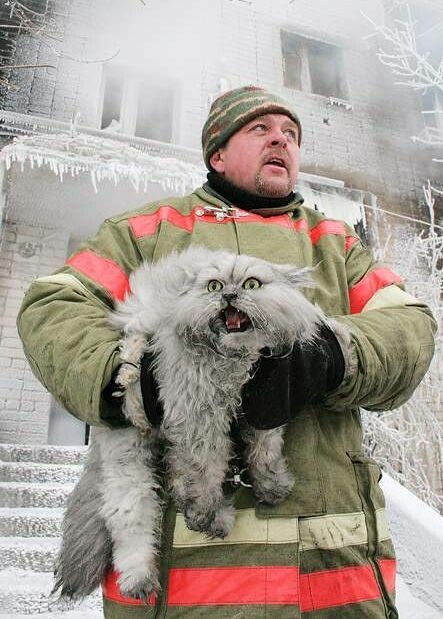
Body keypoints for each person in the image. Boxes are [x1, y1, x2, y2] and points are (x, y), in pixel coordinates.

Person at [17, 86, 436, 619]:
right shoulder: (148, 231)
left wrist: (331, 356)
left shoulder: (336, 245)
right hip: (182, 596)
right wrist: (133, 379)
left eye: (291, 134)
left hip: (331, 580)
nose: (281, 139)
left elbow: (410, 325)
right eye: (260, 130)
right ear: (217, 152)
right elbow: (52, 306)